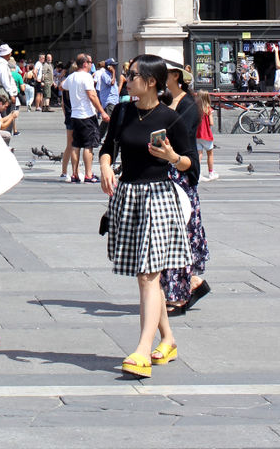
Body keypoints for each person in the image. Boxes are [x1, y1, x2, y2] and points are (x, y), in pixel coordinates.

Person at [99, 54, 194, 379]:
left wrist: (172, 156)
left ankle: (141, 350)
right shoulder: (123, 111)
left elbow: (190, 163)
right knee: (147, 275)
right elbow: (108, 146)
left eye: (132, 75)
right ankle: (167, 339)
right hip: (128, 196)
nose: (127, 80)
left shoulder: (170, 117)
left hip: (158, 198)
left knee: (148, 276)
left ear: (151, 81)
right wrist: (104, 168)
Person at [160, 61, 209, 318]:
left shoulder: (188, 104)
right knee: (168, 238)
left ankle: (180, 294)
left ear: (175, 76)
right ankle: (190, 284)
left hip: (181, 174)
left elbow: (181, 139)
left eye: (163, 73)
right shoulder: (166, 100)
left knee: (179, 237)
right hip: (164, 172)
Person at [62, 53, 109, 183]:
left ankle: (74, 174)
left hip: (75, 115)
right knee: (88, 146)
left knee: (76, 145)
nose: (91, 65)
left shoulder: (71, 77)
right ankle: (88, 174)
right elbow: (92, 95)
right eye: (90, 62)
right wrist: (102, 112)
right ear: (85, 64)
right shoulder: (86, 77)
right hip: (87, 115)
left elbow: (62, 86)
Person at [196, 90, 217, 180]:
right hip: (207, 135)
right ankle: (211, 173)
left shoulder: (195, 109)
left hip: (197, 135)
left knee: (199, 154)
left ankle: (198, 173)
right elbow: (211, 123)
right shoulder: (208, 109)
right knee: (210, 154)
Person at [96, 58, 120, 135]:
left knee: (109, 120)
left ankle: (99, 136)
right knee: (109, 120)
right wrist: (113, 73)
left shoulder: (110, 74)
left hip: (114, 100)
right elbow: (111, 83)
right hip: (109, 101)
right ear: (109, 66)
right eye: (113, 66)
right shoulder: (105, 74)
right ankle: (99, 136)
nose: (115, 68)